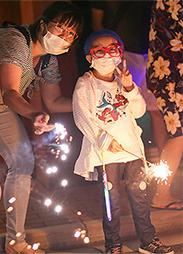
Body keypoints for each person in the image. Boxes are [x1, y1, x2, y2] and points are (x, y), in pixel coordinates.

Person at [0, 2, 83, 253]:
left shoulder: (48, 60)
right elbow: (10, 93)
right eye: (61, 27)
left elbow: (54, 101)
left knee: (23, 161)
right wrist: (34, 113)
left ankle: (16, 240)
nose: (64, 37)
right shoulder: (14, 40)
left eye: (71, 34)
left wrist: (89, 103)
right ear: (44, 23)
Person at [72, 30, 174, 254]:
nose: (107, 56)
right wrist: (105, 140)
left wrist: (130, 88)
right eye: (100, 51)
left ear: (120, 53)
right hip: (107, 156)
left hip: (132, 152)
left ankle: (148, 241)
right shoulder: (85, 84)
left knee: (140, 199)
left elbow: (138, 112)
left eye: (113, 50)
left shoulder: (122, 80)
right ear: (90, 57)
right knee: (112, 204)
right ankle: (113, 245)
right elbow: (82, 117)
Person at [148, 0, 183, 210]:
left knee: (178, 136)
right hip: (172, 73)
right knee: (178, 136)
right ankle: (161, 194)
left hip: (166, 72)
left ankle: (163, 193)